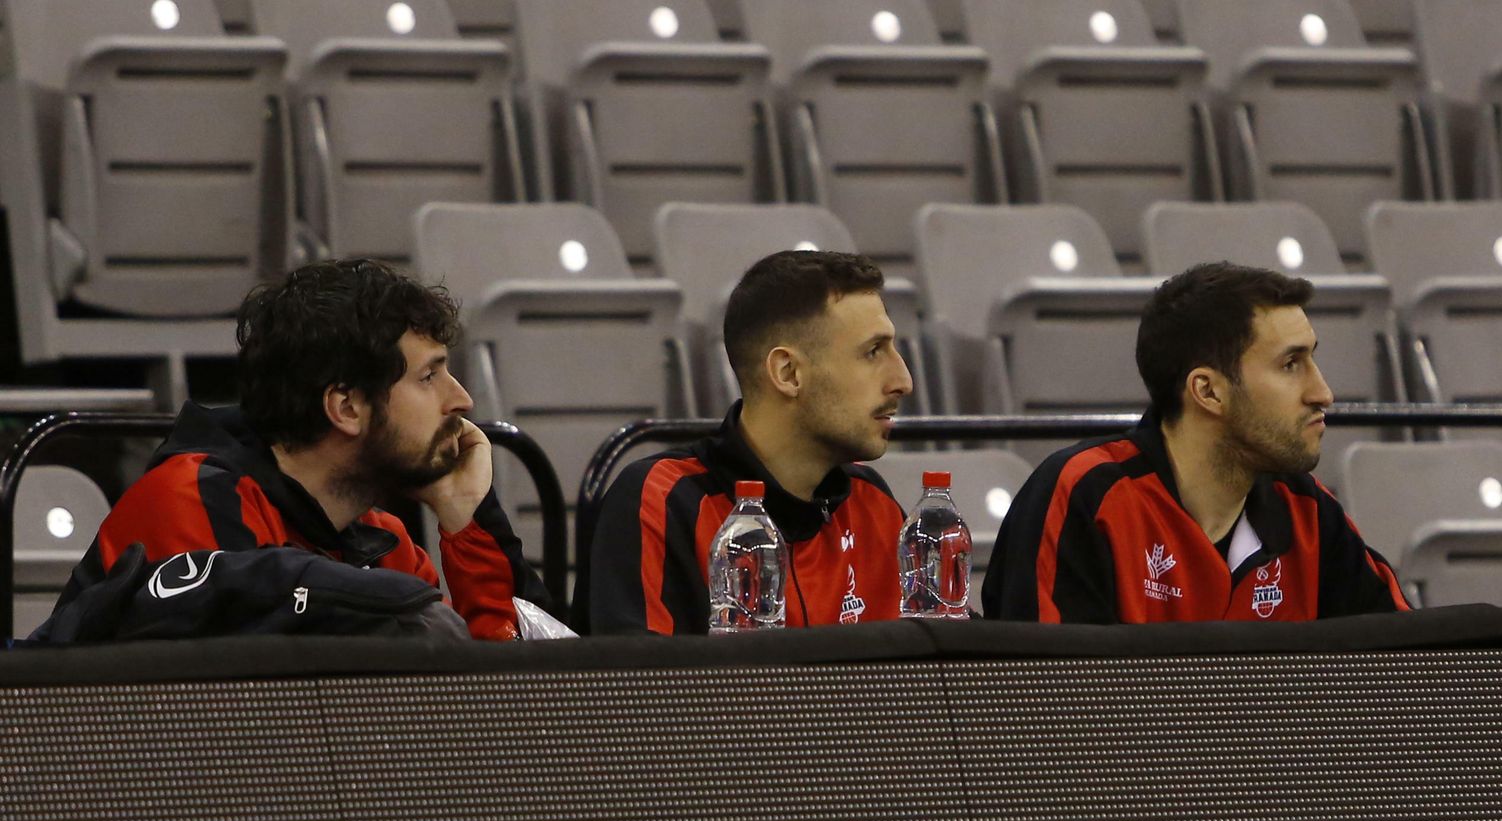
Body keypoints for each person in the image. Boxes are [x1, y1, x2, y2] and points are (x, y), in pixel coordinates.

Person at [40, 258, 548, 641]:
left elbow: (502, 705)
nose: (462, 399)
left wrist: (467, 522)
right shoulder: (190, 502)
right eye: (430, 376)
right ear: (346, 407)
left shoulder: (385, 542)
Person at [984, 261, 1409, 623]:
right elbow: (1040, 701)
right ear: (1208, 391)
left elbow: (1413, 669)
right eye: (1291, 364)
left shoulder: (1308, 512)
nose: (1323, 393)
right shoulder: (1084, 497)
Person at [581, 249, 912, 635]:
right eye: (873, 352)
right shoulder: (662, 503)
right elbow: (640, 690)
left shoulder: (875, 504)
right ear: (788, 373)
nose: (903, 380)